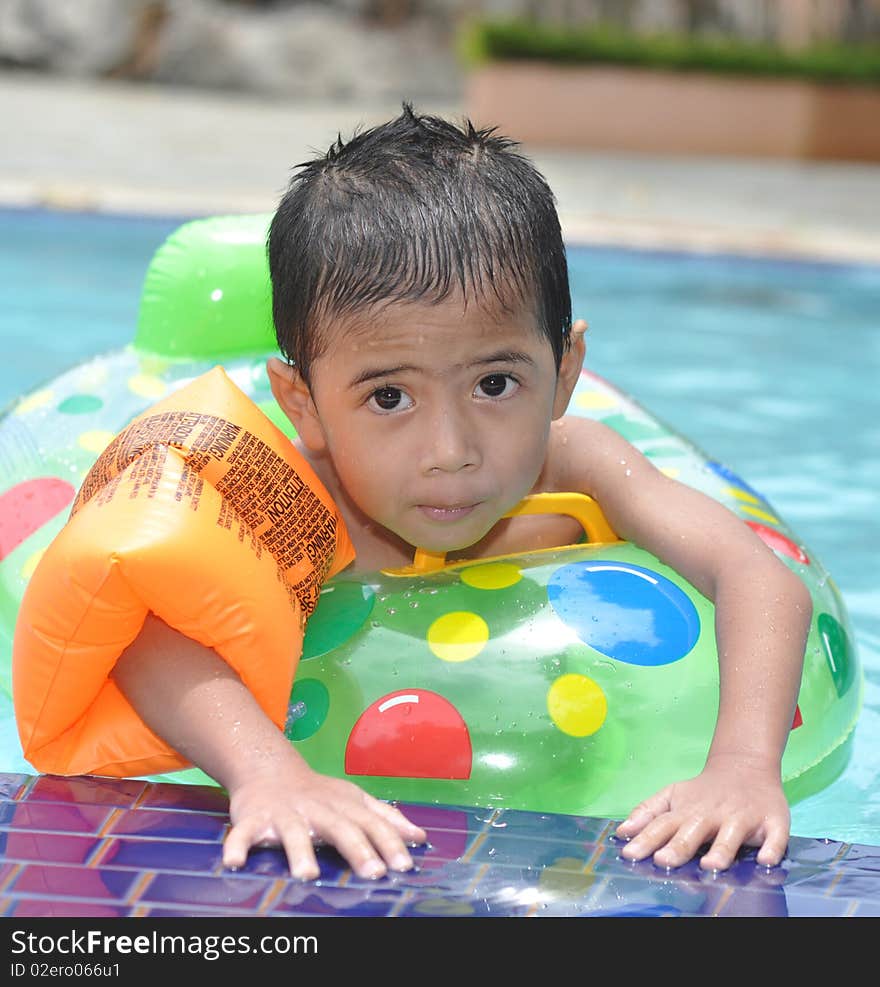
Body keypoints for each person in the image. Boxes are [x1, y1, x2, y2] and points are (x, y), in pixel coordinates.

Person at [110, 104, 812, 882]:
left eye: (495, 382)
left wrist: (744, 766)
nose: (450, 452)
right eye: (388, 398)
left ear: (566, 372)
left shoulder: (579, 466)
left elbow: (758, 577)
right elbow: (145, 628)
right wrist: (267, 771)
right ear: (303, 403)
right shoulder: (296, 503)